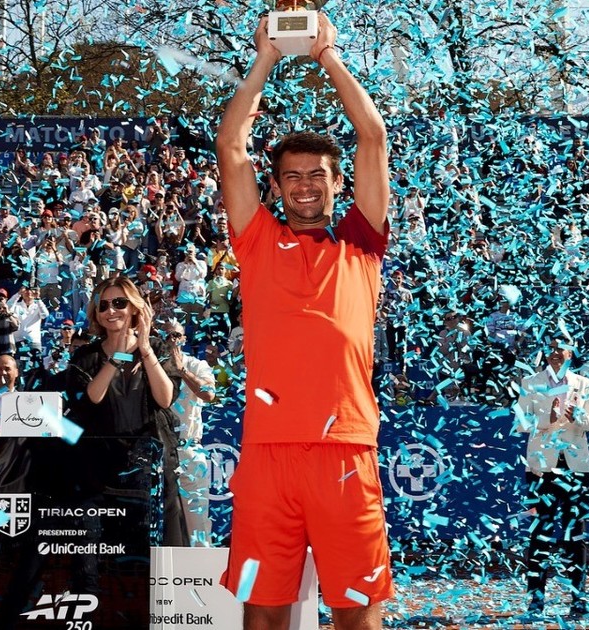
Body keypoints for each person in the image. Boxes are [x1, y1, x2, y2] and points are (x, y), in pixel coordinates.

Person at [215, 12, 393, 628]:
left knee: (356, 616)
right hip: (268, 453)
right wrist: (265, 57)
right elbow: (231, 146)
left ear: (338, 182)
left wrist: (327, 56)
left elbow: (372, 137)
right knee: (263, 614)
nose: (305, 186)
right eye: (291, 176)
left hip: (345, 449)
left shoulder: (362, 243)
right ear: (276, 187)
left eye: (317, 175)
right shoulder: (257, 239)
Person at [65, 276, 188, 546]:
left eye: (119, 303)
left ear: (134, 307)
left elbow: (165, 398)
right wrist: (117, 357)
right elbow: (91, 398)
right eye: (103, 305)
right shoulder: (85, 356)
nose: (111, 311)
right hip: (103, 471)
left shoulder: (157, 348)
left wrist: (144, 348)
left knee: (160, 550)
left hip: (152, 467)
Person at [514, 336, 589, 619]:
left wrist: (577, 416)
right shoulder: (530, 382)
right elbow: (520, 423)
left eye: (560, 349)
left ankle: (578, 601)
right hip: (541, 469)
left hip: (576, 467)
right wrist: (547, 419)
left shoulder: (583, 383)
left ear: (570, 353)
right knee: (540, 534)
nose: (555, 354)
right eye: (551, 349)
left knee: (575, 537)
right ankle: (535, 602)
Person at [161, 319, 217, 547]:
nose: (171, 340)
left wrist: (182, 371)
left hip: (188, 449)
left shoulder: (196, 365)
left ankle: (203, 567)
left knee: (198, 525)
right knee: (157, 522)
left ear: (184, 339)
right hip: (158, 450)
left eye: (176, 335)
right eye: (166, 335)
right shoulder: (150, 364)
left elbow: (209, 394)